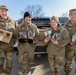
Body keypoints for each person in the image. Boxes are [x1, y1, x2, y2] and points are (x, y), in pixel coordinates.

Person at [0, 5, 18, 75]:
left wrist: (18, 41)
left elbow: (16, 33)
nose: (4, 13)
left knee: (9, 64)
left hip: (10, 47)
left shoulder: (13, 21)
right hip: (0, 48)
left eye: (5, 11)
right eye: (2, 11)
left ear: (8, 12)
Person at [64, 9, 76, 75]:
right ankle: (67, 73)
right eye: (71, 15)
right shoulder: (65, 26)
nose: (73, 16)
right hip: (69, 48)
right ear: (69, 16)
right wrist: (68, 41)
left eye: (75, 14)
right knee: (68, 63)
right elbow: (62, 35)